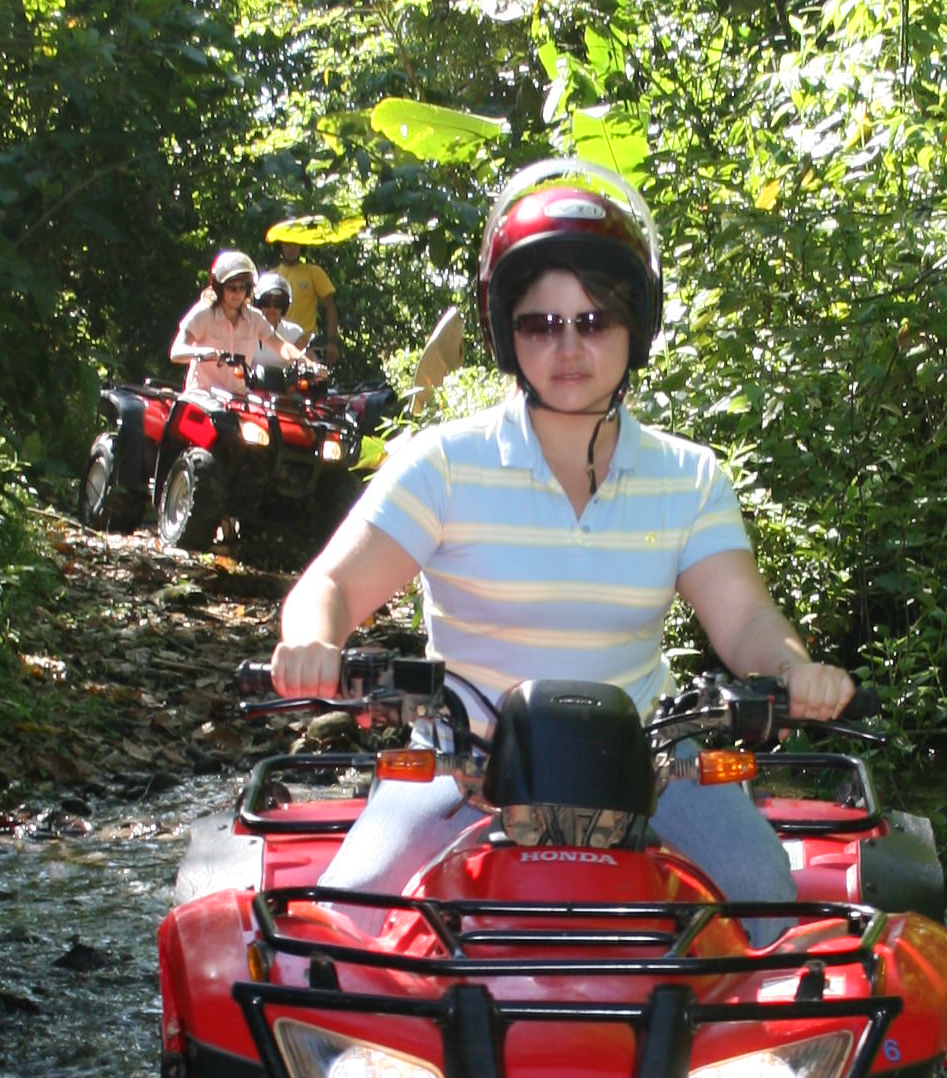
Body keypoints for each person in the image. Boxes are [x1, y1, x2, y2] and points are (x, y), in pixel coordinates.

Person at [270, 158, 852, 905]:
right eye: (540, 324)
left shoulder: (690, 477)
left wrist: (795, 669)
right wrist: (313, 644)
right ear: (506, 334)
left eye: (595, 319)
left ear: (636, 324)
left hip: (650, 765)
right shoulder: (445, 463)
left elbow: (745, 621)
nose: (568, 347)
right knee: (349, 909)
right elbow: (333, 585)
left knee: (763, 892)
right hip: (461, 765)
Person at [169, 250, 280, 395]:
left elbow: (282, 346)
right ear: (219, 288)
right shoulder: (203, 313)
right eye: (232, 288)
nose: (238, 293)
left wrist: (310, 365)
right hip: (202, 397)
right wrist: (204, 353)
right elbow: (176, 352)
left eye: (243, 288)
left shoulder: (255, 318)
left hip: (238, 399)